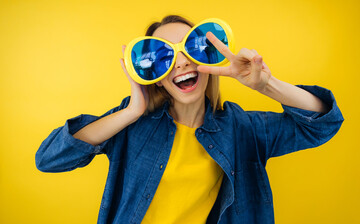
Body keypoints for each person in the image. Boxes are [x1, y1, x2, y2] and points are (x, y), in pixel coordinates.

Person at [35, 15, 344, 224]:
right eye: (162, 56)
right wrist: (131, 111)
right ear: (153, 76)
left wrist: (266, 85)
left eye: (192, 48)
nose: (181, 61)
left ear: (210, 57)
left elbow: (323, 123)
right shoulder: (132, 125)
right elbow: (48, 159)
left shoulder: (242, 129)